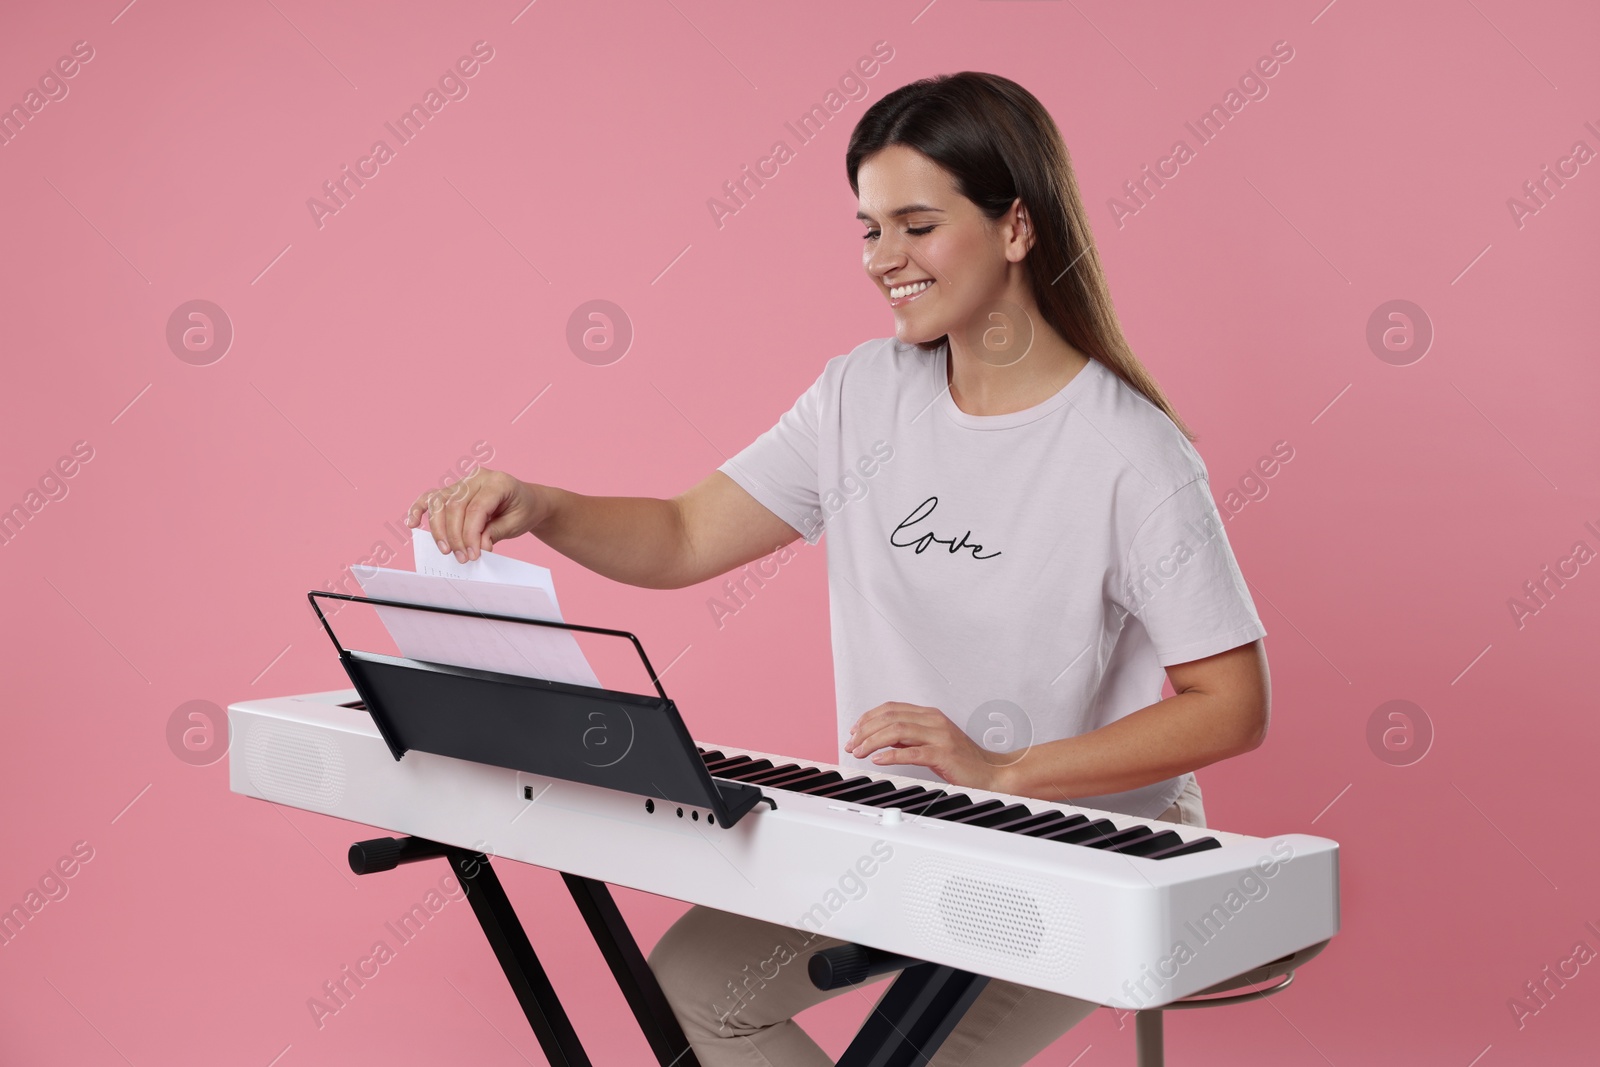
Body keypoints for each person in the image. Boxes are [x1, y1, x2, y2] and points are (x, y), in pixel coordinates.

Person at [407, 71, 1269, 1067]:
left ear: (1016, 228)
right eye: (868, 229)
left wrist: (1007, 770)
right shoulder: (860, 395)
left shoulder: (1130, 452)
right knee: (691, 989)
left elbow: (1229, 703)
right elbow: (686, 535)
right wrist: (547, 506)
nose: (883, 259)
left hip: (1079, 843)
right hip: (905, 823)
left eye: (915, 224)